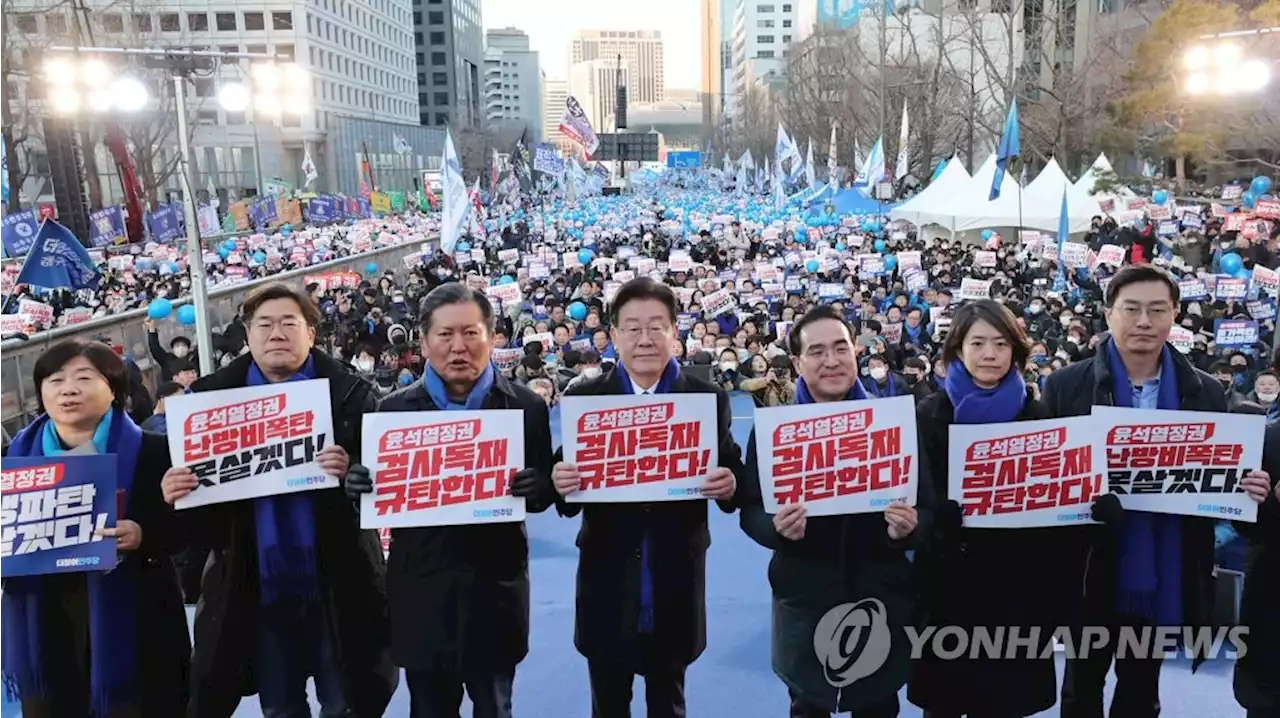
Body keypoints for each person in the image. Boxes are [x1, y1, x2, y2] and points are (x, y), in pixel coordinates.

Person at [159, 282, 396, 718]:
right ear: (247, 335)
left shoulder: (352, 395)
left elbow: (387, 481)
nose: (277, 333)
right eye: (264, 324)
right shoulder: (207, 404)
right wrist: (175, 490)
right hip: (256, 589)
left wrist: (355, 470)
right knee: (281, 706)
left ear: (311, 333)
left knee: (346, 702)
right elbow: (189, 520)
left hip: (337, 585)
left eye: (290, 323)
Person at [349, 282, 555, 718]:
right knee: (428, 708)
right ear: (424, 342)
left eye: (470, 333)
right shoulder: (392, 413)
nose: (458, 347)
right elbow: (377, 499)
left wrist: (540, 486)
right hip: (421, 590)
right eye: (445, 335)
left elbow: (539, 499)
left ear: (492, 336)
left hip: (495, 588)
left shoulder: (525, 408)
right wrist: (358, 485)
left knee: (495, 707)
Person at [1042, 264, 1235, 718]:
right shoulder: (1065, 385)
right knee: (1081, 688)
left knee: (1141, 690)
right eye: (1131, 309)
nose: (1144, 321)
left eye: (1156, 310)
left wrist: (1243, 483)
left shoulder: (1205, 391)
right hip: (1088, 565)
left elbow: (1219, 475)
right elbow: (1045, 476)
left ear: (1174, 317)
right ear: (1109, 315)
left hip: (1165, 567)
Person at [550, 277, 742, 718]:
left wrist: (729, 484)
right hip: (606, 577)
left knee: (669, 703)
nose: (645, 339)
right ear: (613, 335)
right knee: (608, 705)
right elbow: (562, 494)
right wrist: (559, 480)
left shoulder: (706, 399)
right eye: (632, 328)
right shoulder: (586, 398)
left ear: (675, 332)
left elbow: (734, 473)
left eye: (657, 326)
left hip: (675, 575)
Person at [910, 299, 1100, 718]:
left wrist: (1089, 510)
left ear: (1015, 350)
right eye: (977, 343)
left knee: (1005, 704)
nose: (990, 354)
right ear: (957, 350)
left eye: (1000, 343)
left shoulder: (1039, 418)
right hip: (946, 592)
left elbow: (1057, 518)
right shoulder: (926, 416)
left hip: (1018, 592)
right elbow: (912, 502)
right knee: (943, 705)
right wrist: (935, 521)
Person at [737, 305, 927, 718]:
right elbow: (750, 509)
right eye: (817, 351)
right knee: (807, 705)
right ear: (799, 362)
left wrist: (908, 531)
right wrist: (777, 530)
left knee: (879, 704)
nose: (831, 360)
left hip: (883, 590)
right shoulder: (775, 429)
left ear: (856, 352)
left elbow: (928, 508)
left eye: (841, 348)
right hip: (804, 594)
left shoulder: (896, 422)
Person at [0, 339, 190, 717]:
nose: (68, 389)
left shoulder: (157, 451)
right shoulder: (14, 463)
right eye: (55, 380)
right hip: (48, 625)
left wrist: (143, 534)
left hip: (139, 620)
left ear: (114, 388)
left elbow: (188, 532)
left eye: (84, 378)